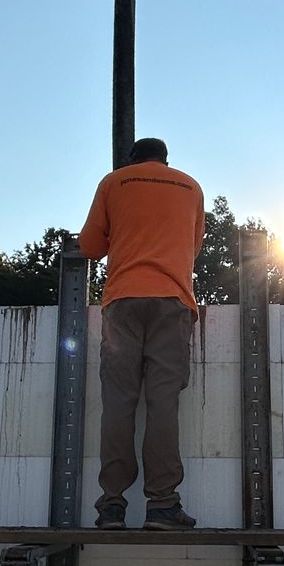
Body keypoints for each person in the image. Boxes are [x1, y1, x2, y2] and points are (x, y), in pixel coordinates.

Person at [78, 137, 207, 531]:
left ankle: (112, 507)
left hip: (122, 302)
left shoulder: (114, 182)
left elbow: (88, 247)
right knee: (162, 404)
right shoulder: (191, 186)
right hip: (173, 301)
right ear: (166, 161)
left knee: (118, 405)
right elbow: (193, 248)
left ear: (133, 160)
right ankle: (163, 506)